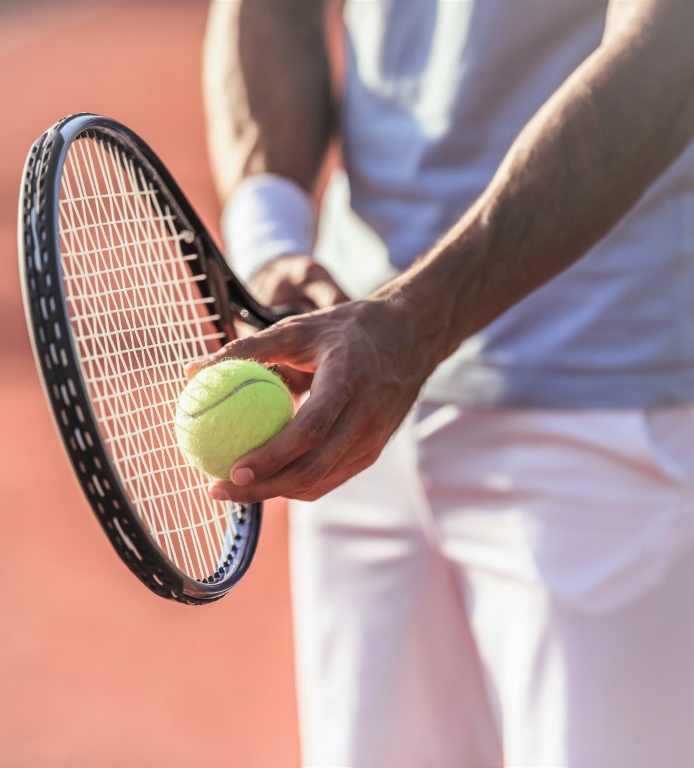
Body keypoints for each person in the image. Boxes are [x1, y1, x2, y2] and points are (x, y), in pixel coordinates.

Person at [201, 0, 694, 765]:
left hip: (599, 393)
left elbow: (671, 51)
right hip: (352, 389)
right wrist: (270, 246)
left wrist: (417, 322)